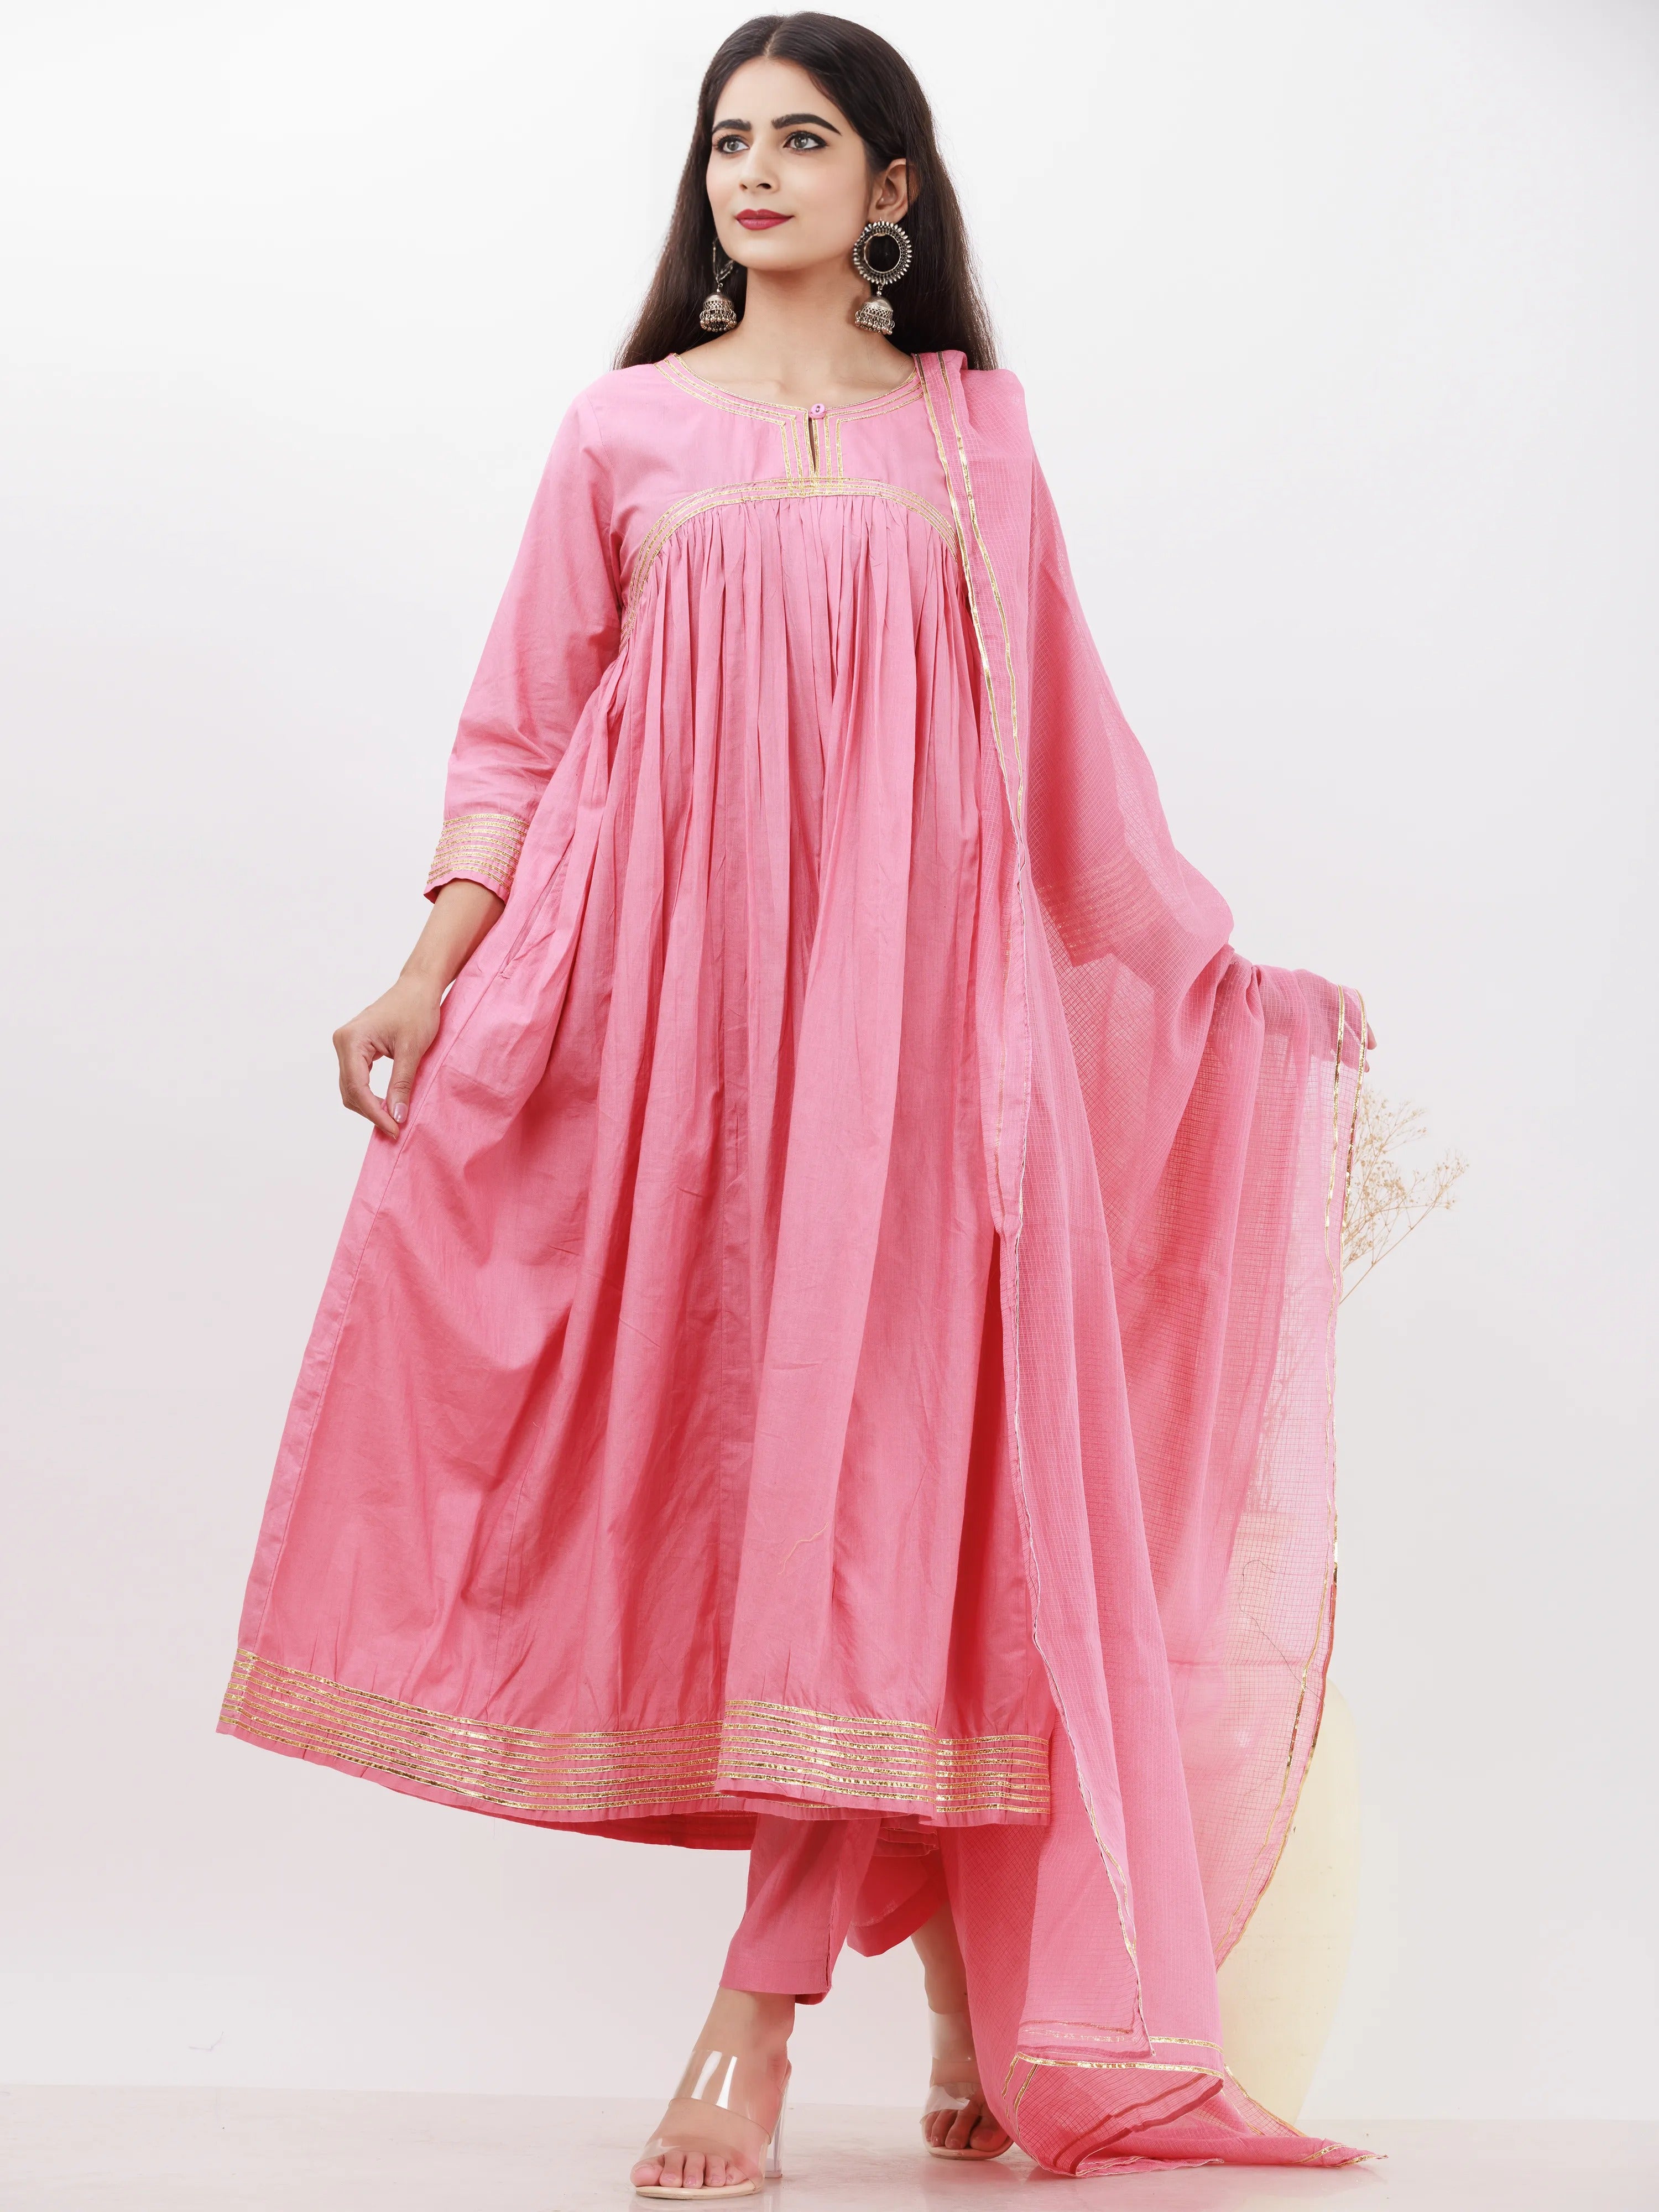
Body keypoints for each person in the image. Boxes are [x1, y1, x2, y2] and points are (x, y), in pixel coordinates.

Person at [220, 12, 1370, 2194]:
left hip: (926, 1051)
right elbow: (518, 731)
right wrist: (429, 971)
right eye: (728, 139)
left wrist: (1219, 981)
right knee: (761, 1501)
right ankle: (945, 1981)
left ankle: (748, 2031)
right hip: (668, 1032)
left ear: (889, 188)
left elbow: (1068, 766)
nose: (753, 172)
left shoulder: (972, 443)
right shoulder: (622, 428)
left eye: (803, 138)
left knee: (887, 1507)